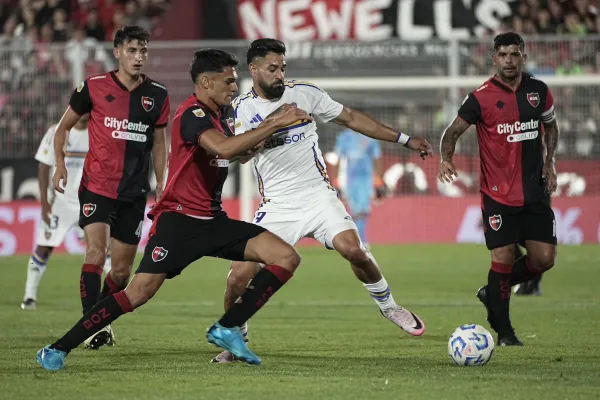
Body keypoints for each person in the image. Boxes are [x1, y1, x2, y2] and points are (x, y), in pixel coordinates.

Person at [36, 48, 313, 371]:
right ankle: (57, 348)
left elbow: (233, 154)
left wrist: (270, 131)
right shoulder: (191, 115)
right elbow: (223, 147)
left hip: (212, 220)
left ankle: (227, 326)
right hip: (179, 224)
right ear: (206, 83)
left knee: (286, 257)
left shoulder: (220, 115)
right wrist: (273, 123)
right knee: (137, 293)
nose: (234, 88)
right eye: (229, 82)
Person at [211, 39, 432, 364]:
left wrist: (405, 139)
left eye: (283, 68)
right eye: (272, 69)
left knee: (354, 250)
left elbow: (352, 118)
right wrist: (273, 127)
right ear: (254, 69)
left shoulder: (304, 93)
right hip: (277, 205)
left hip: (318, 196)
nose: (280, 75)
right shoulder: (240, 109)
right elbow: (240, 157)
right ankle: (236, 340)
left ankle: (390, 307)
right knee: (237, 278)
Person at [51, 25, 170, 349]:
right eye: (132, 50)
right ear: (117, 52)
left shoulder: (157, 94)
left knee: (120, 272)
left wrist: (162, 181)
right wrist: (60, 164)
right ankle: (90, 326)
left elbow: (160, 143)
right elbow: (62, 129)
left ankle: (98, 323)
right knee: (95, 251)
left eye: (143, 50)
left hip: (133, 193)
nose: (138, 57)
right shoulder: (93, 87)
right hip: (97, 187)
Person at [438, 32, 559, 346]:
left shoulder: (538, 91)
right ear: (494, 58)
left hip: (535, 190)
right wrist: (445, 159)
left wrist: (550, 161)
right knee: (503, 257)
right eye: (503, 55)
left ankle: (491, 291)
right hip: (497, 194)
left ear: (523, 57)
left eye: (515, 54)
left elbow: (550, 125)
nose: (509, 60)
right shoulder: (480, 97)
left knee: (544, 258)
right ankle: (505, 332)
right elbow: (452, 132)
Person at [21, 115, 112, 311]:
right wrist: (45, 205)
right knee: (44, 247)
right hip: (59, 204)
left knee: (101, 249)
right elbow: (44, 167)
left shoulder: (97, 132)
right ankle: (29, 296)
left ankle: (116, 295)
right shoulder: (57, 131)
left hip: (88, 202)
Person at [328, 128, 386, 246]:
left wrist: (379, 181)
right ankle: (355, 238)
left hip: (366, 179)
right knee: (354, 211)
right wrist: (335, 181)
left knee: (362, 210)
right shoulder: (344, 137)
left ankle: (361, 239)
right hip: (350, 180)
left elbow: (377, 159)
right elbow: (338, 159)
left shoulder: (370, 136)